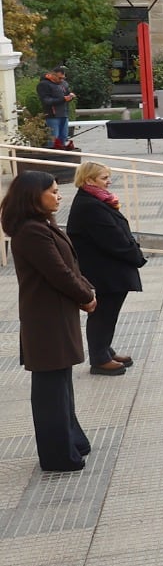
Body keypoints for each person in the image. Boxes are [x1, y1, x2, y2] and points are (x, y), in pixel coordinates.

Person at [4, 171, 97, 471]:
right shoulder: (31, 231)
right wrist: (86, 295)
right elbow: (58, 272)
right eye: (53, 191)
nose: (59, 196)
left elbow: (69, 263)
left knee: (61, 386)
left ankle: (72, 442)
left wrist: (85, 288)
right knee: (51, 392)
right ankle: (58, 454)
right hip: (46, 320)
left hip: (56, 315)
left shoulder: (42, 224)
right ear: (34, 196)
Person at [64, 162, 145, 376]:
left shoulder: (95, 199)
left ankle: (105, 350)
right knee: (104, 312)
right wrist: (136, 255)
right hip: (103, 268)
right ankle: (99, 358)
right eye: (104, 178)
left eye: (108, 177)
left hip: (107, 266)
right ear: (89, 180)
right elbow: (112, 238)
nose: (108, 181)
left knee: (108, 312)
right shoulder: (89, 204)